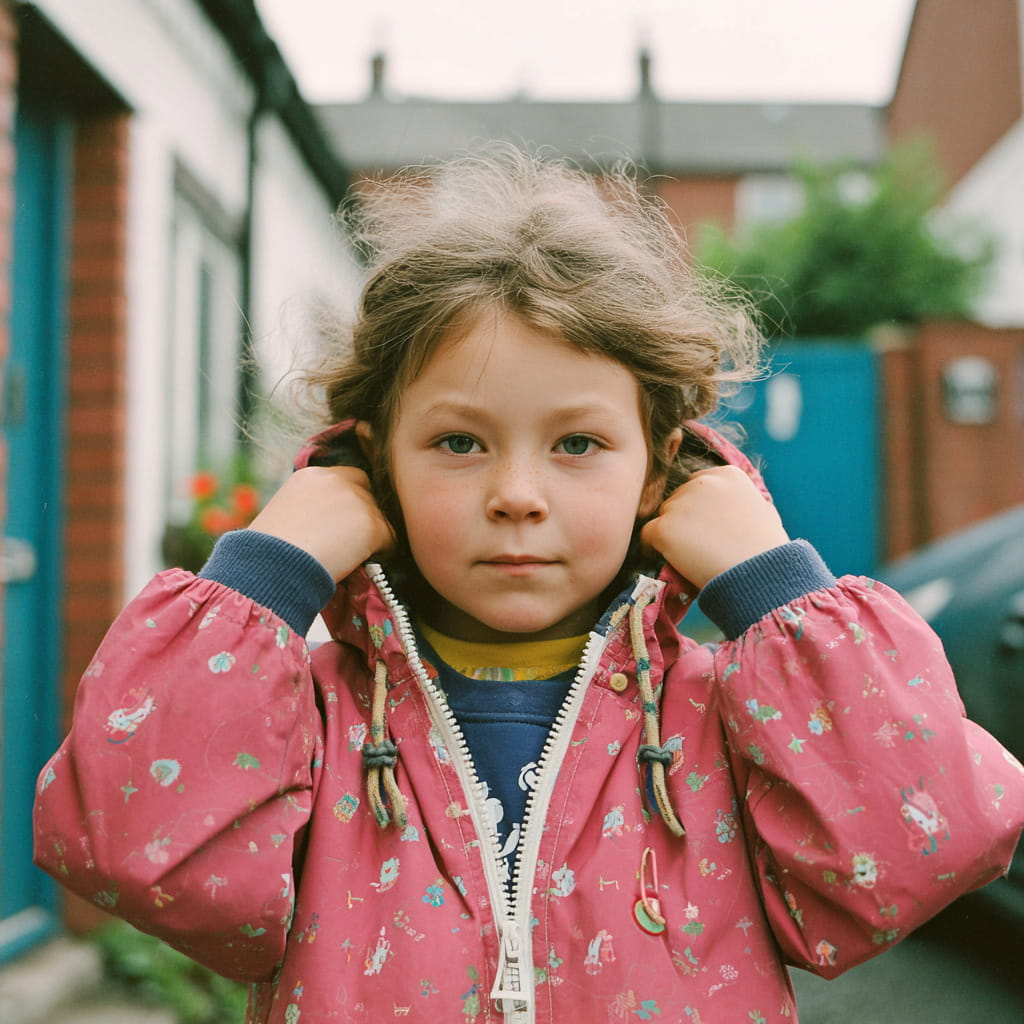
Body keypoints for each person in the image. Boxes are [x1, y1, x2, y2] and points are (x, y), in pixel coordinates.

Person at [35, 148, 1023, 1024]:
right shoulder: (311, 712)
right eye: (458, 442)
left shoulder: (728, 711)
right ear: (376, 468)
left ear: (659, 467)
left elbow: (922, 843)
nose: (515, 494)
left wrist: (773, 587)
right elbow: (131, 842)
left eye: (578, 443)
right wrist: (266, 570)